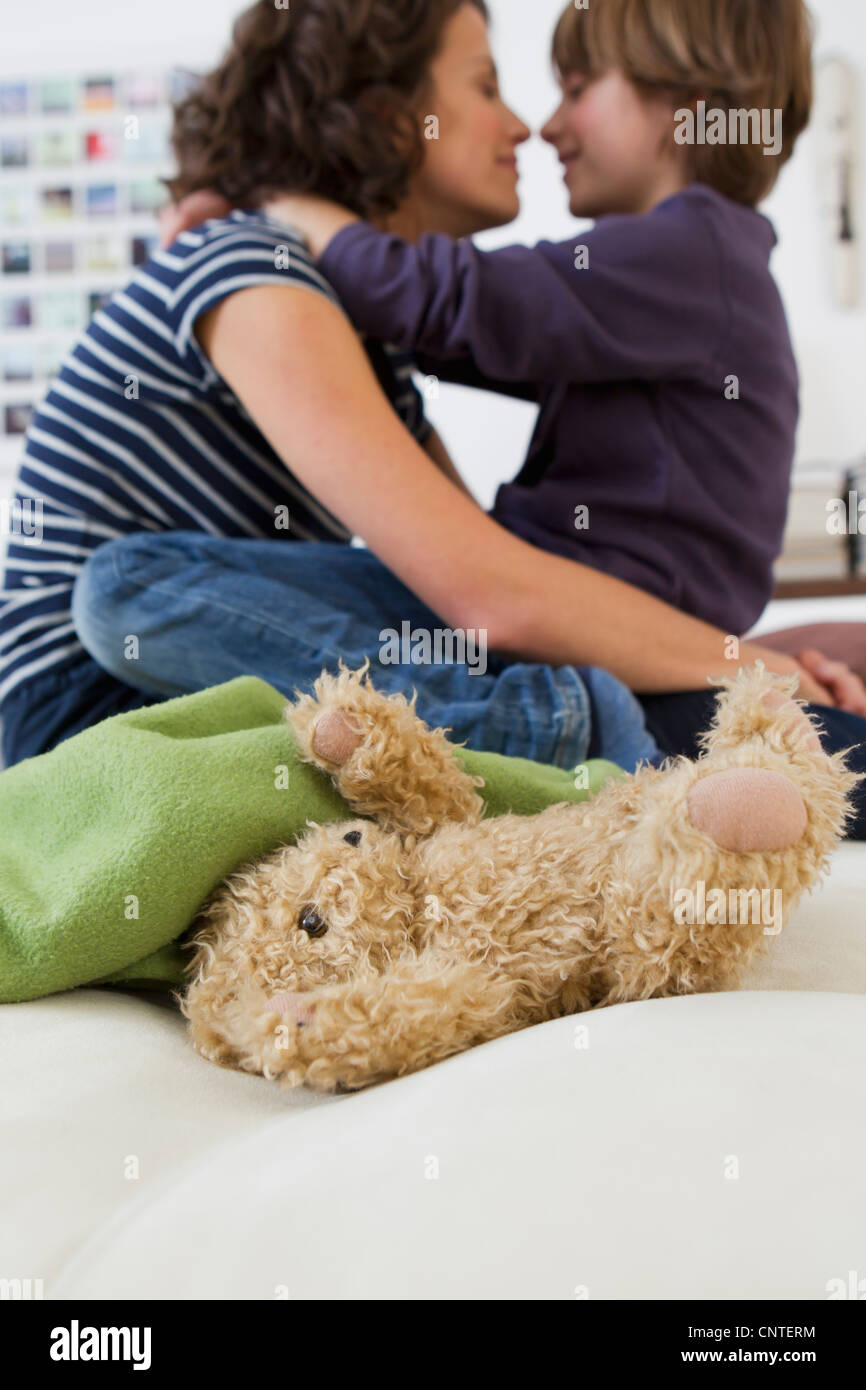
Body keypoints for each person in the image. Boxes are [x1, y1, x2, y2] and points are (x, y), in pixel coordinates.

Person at [1, 0, 861, 796]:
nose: (528, 125)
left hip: (189, 688)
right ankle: (554, 734)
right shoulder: (253, 267)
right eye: (488, 87)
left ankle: (562, 738)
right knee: (120, 583)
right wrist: (743, 658)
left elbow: (485, 592)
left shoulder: (361, 339)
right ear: (388, 116)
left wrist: (749, 658)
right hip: (89, 707)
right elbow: (491, 598)